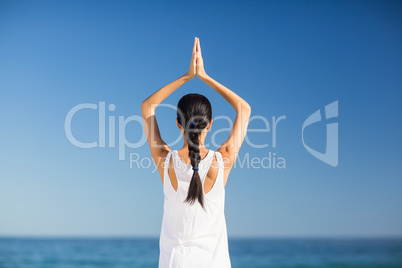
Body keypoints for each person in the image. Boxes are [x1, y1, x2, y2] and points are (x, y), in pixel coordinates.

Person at [141, 37, 251, 268]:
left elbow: (147, 106)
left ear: (178, 124)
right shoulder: (223, 159)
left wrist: (187, 76)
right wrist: (204, 76)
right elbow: (244, 108)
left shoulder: (165, 160)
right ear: (210, 124)